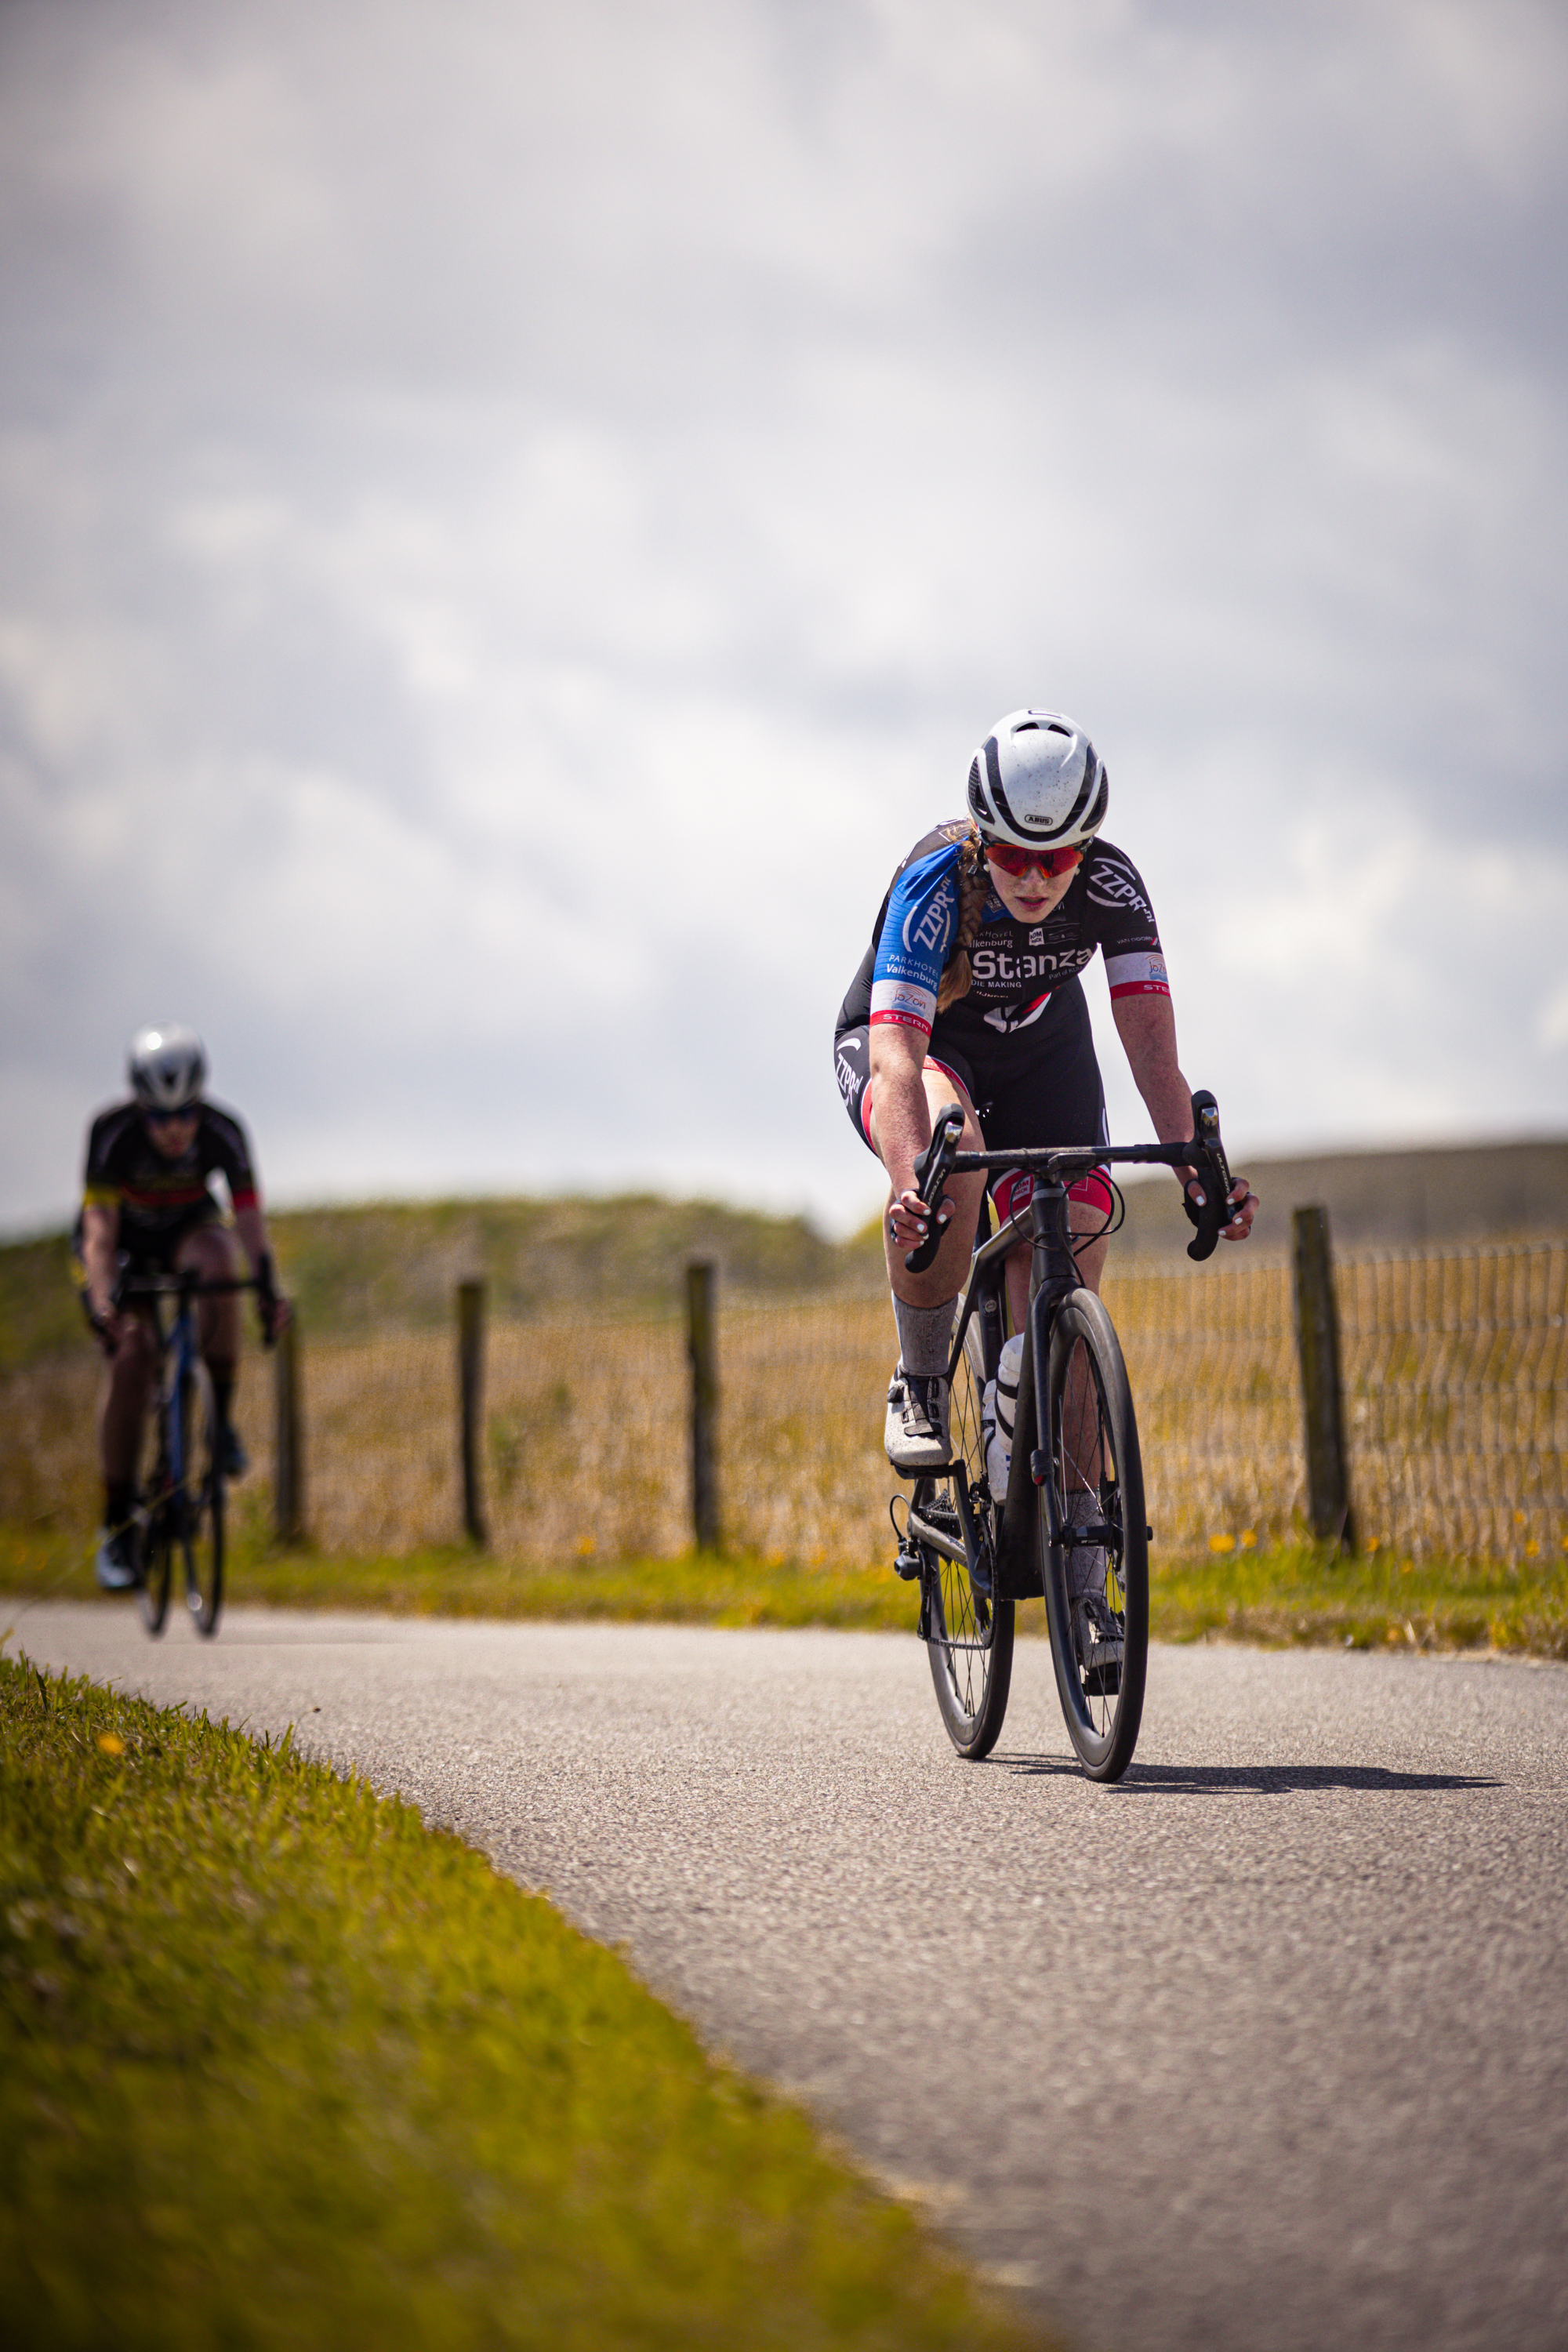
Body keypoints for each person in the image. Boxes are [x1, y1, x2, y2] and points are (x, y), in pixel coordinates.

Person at [834, 706, 1258, 1494]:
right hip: (924, 1047)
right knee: (950, 1158)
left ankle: (1085, 1577)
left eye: (1055, 856)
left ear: (1086, 846)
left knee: (1077, 1232)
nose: (1033, 878)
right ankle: (922, 1382)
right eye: (1010, 855)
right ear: (980, 838)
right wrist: (906, 1186)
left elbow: (1154, 1058)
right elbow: (898, 1059)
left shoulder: (1111, 885)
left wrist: (1199, 1177)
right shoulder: (932, 882)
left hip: (1040, 1048)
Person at [77, 1025, 290, 1592]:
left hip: (187, 1232)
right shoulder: (111, 1132)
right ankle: (117, 1522)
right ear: (140, 1108)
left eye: (185, 1114)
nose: (174, 1129)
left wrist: (266, 1285)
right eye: (159, 1117)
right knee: (134, 1355)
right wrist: (103, 1301)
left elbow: (247, 1218)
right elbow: (99, 1230)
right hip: (123, 1248)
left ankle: (218, 1423)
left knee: (220, 1268)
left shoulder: (224, 1132)